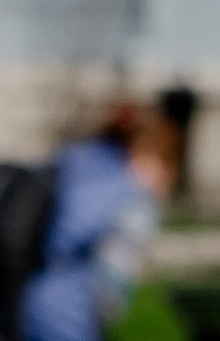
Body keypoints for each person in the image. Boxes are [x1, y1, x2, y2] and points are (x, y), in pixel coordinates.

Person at [14, 103, 185, 341]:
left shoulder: (72, 161)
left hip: (7, 299)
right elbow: (109, 291)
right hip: (65, 317)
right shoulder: (132, 200)